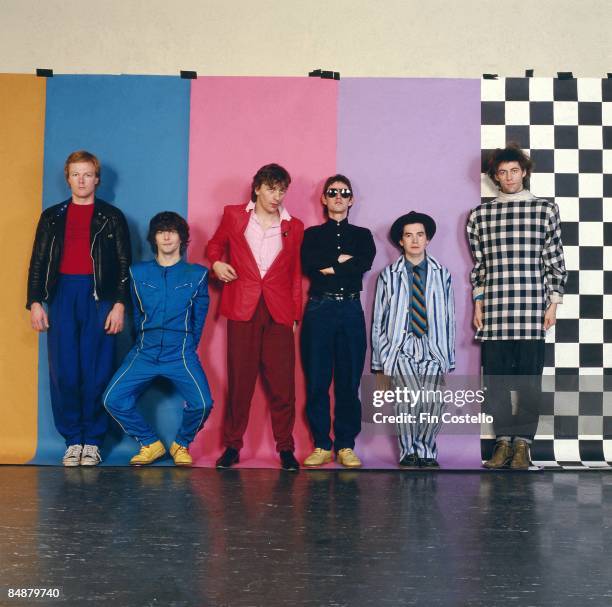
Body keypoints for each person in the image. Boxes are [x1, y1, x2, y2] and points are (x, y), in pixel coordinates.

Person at [27, 150, 131, 467]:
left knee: (98, 370)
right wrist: (34, 301)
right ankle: (73, 440)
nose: (82, 180)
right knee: (65, 372)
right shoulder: (52, 217)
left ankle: (94, 440)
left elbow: (125, 264)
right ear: (68, 178)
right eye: (76, 174)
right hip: (62, 296)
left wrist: (119, 304)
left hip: (99, 297)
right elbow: (38, 263)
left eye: (87, 174)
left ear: (97, 179)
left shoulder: (112, 217)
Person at [467, 144, 567, 469]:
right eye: (502, 172)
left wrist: (553, 303)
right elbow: (479, 266)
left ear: (523, 172)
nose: (508, 177)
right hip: (495, 312)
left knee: (529, 382)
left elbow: (554, 261)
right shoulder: (480, 216)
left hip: (531, 310)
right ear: (495, 177)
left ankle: (523, 444)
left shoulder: (545, 210)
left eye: (514, 170)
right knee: (495, 382)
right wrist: (478, 303)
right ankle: (501, 443)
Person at [205, 164, 304, 471]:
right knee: (240, 381)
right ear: (258, 188)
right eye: (272, 189)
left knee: (283, 385)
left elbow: (294, 274)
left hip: (279, 310)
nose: (277, 196)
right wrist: (216, 264)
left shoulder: (294, 225)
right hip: (243, 306)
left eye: (282, 190)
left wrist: (295, 315)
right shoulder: (234, 215)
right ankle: (232, 446)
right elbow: (214, 245)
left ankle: (286, 449)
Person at [103, 212, 213, 467]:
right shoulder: (137, 272)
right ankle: (150, 443)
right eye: (161, 231)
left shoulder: (197, 274)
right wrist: (143, 342)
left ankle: (181, 444)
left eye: (172, 231)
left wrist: (186, 347)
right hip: (145, 350)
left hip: (180, 351)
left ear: (182, 238)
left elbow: (199, 318)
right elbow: (136, 314)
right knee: (112, 398)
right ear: (153, 237)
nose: (166, 236)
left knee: (203, 403)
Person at [300, 175, 376, 467]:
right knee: (317, 380)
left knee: (349, 381)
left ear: (352, 199)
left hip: (351, 311)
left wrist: (330, 267)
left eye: (345, 193)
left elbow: (364, 263)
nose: (339, 197)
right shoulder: (312, 235)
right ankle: (321, 444)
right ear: (324, 198)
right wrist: (342, 262)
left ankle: (345, 445)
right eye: (332, 193)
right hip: (319, 310)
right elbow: (310, 266)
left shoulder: (363, 235)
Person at [371, 212, 455, 468]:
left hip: (433, 345)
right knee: (408, 397)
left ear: (428, 240)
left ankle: (427, 450)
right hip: (401, 346)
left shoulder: (442, 274)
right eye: (409, 235)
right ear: (401, 242)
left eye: (420, 235)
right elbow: (378, 318)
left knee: (433, 400)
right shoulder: (389, 275)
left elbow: (449, 315)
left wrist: (447, 357)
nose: (415, 240)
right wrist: (381, 360)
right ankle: (409, 451)